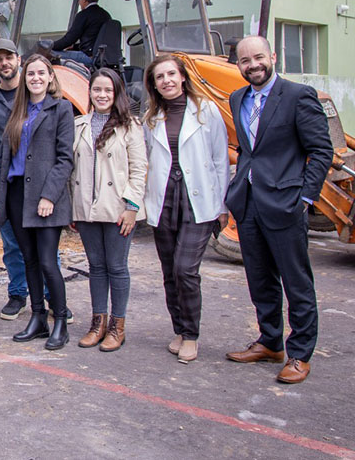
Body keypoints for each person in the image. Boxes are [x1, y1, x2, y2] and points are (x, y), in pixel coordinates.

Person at [224, 35, 332, 384]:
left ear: (271, 56)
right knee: (259, 278)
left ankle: (300, 353)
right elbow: (248, 150)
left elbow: (321, 150)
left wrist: (304, 198)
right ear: (238, 65)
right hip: (250, 204)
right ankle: (270, 342)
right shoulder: (237, 97)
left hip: (286, 204)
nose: (252, 65)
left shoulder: (299, 97)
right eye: (244, 61)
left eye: (258, 57)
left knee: (296, 281)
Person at [142, 53, 229, 364]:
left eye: (170, 75)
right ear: (153, 85)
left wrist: (221, 204)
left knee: (185, 270)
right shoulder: (151, 117)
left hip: (197, 201)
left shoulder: (206, 111)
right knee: (169, 273)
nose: (166, 81)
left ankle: (191, 334)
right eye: (159, 77)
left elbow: (221, 159)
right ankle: (179, 329)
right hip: (163, 200)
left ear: (182, 77)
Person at [0, 55, 75, 351]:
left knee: (48, 262)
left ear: (51, 77)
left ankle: (60, 322)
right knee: (28, 260)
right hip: (17, 194)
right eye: (31, 74)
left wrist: (49, 196)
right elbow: (5, 158)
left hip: (44, 197)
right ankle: (38, 318)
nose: (36, 78)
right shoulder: (19, 111)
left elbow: (66, 159)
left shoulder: (61, 109)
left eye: (41, 73)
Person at [70, 68, 146, 352]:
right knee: (96, 267)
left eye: (107, 91)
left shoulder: (130, 126)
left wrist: (132, 207)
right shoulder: (79, 124)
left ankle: (117, 326)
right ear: (89, 92)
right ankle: (97, 322)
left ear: (117, 94)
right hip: (86, 210)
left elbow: (139, 170)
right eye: (97, 90)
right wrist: (74, 208)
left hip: (117, 209)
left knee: (116, 267)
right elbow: (72, 169)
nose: (102, 95)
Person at [0, 39, 35, 320]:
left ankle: (51, 296)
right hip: (8, 182)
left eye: (9, 57)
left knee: (44, 243)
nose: (5, 63)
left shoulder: (33, 93)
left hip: (36, 180)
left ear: (19, 59)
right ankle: (18, 294)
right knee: (12, 244)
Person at [52, 0, 112, 68]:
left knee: (50, 54)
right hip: (103, 57)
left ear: (84, 0)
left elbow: (69, 39)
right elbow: (95, 39)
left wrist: (51, 45)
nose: (79, 2)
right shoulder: (106, 15)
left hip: (88, 57)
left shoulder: (83, 15)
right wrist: (76, 46)